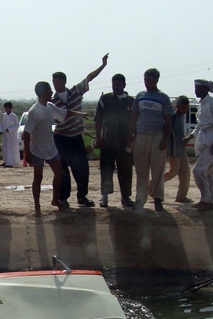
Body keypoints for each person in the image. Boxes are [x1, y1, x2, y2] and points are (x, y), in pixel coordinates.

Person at [51, 53, 109, 208]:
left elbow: (89, 77)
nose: (55, 84)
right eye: (53, 81)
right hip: (61, 138)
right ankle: (63, 197)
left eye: (57, 81)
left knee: (82, 168)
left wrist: (103, 65)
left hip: (76, 137)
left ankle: (82, 197)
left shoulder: (76, 91)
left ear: (63, 82)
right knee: (63, 170)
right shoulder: (52, 101)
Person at [128, 68, 174, 211]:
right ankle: (140, 199)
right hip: (141, 135)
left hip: (157, 135)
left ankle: (158, 198)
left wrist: (165, 139)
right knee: (141, 170)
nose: (147, 82)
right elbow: (134, 116)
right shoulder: (140, 96)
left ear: (156, 80)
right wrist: (131, 134)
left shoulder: (163, 98)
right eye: (145, 79)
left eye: (149, 80)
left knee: (157, 169)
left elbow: (168, 120)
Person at [22, 81, 67, 215]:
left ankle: (54, 199)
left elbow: (63, 113)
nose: (52, 93)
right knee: (38, 178)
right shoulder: (34, 111)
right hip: (36, 150)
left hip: (50, 148)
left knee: (59, 173)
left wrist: (79, 114)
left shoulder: (50, 107)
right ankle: (37, 206)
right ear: (43, 93)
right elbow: (26, 134)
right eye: (50, 90)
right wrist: (27, 153)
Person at [94, 73, 134, 208]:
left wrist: (132, 137)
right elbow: (98, 119)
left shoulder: (131, 101)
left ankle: (125, 197)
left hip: (125, 143)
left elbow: (134, 121)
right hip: (107, 141)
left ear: (124, 85)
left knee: (126, 170)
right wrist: (99, 138)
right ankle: (104, 197)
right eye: (114, 84)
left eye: (119, 85)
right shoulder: (105, 99)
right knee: (106, 169)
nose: (116, 87)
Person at [189, 79, 213, 211]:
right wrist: (190, 136)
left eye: (198, 88)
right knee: (210, 173)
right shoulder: (201, 104)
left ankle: (205, 199)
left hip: (212, 140)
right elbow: (200, 125)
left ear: (205, 89)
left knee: (197, 170)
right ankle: (211, 202)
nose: (196, 90)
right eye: (195, 88)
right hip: (203, 139)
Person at [168, 95, 193, 203]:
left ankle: (181, 196)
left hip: (181, 150)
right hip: (174, 149)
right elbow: (168, 132)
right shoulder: (173, 117)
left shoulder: (180, 117)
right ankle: (151, 186)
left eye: (186, 108)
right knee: (174, 171)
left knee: (185, 173)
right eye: (183, 107)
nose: (185, 110)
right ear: (177, 106)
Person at [0, 102, 19, 167]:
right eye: (5, 108)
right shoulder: (3, 115)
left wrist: (10, 129)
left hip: (12, 136)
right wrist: (1, 130)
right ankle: (5, 161)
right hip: (5, 135)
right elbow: (0, 124)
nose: (6, 109)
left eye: (7, 108)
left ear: (10, 108)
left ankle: (11, 162)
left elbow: (17, 125)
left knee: (12, 149)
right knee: (4, 148)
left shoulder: (14, 116)